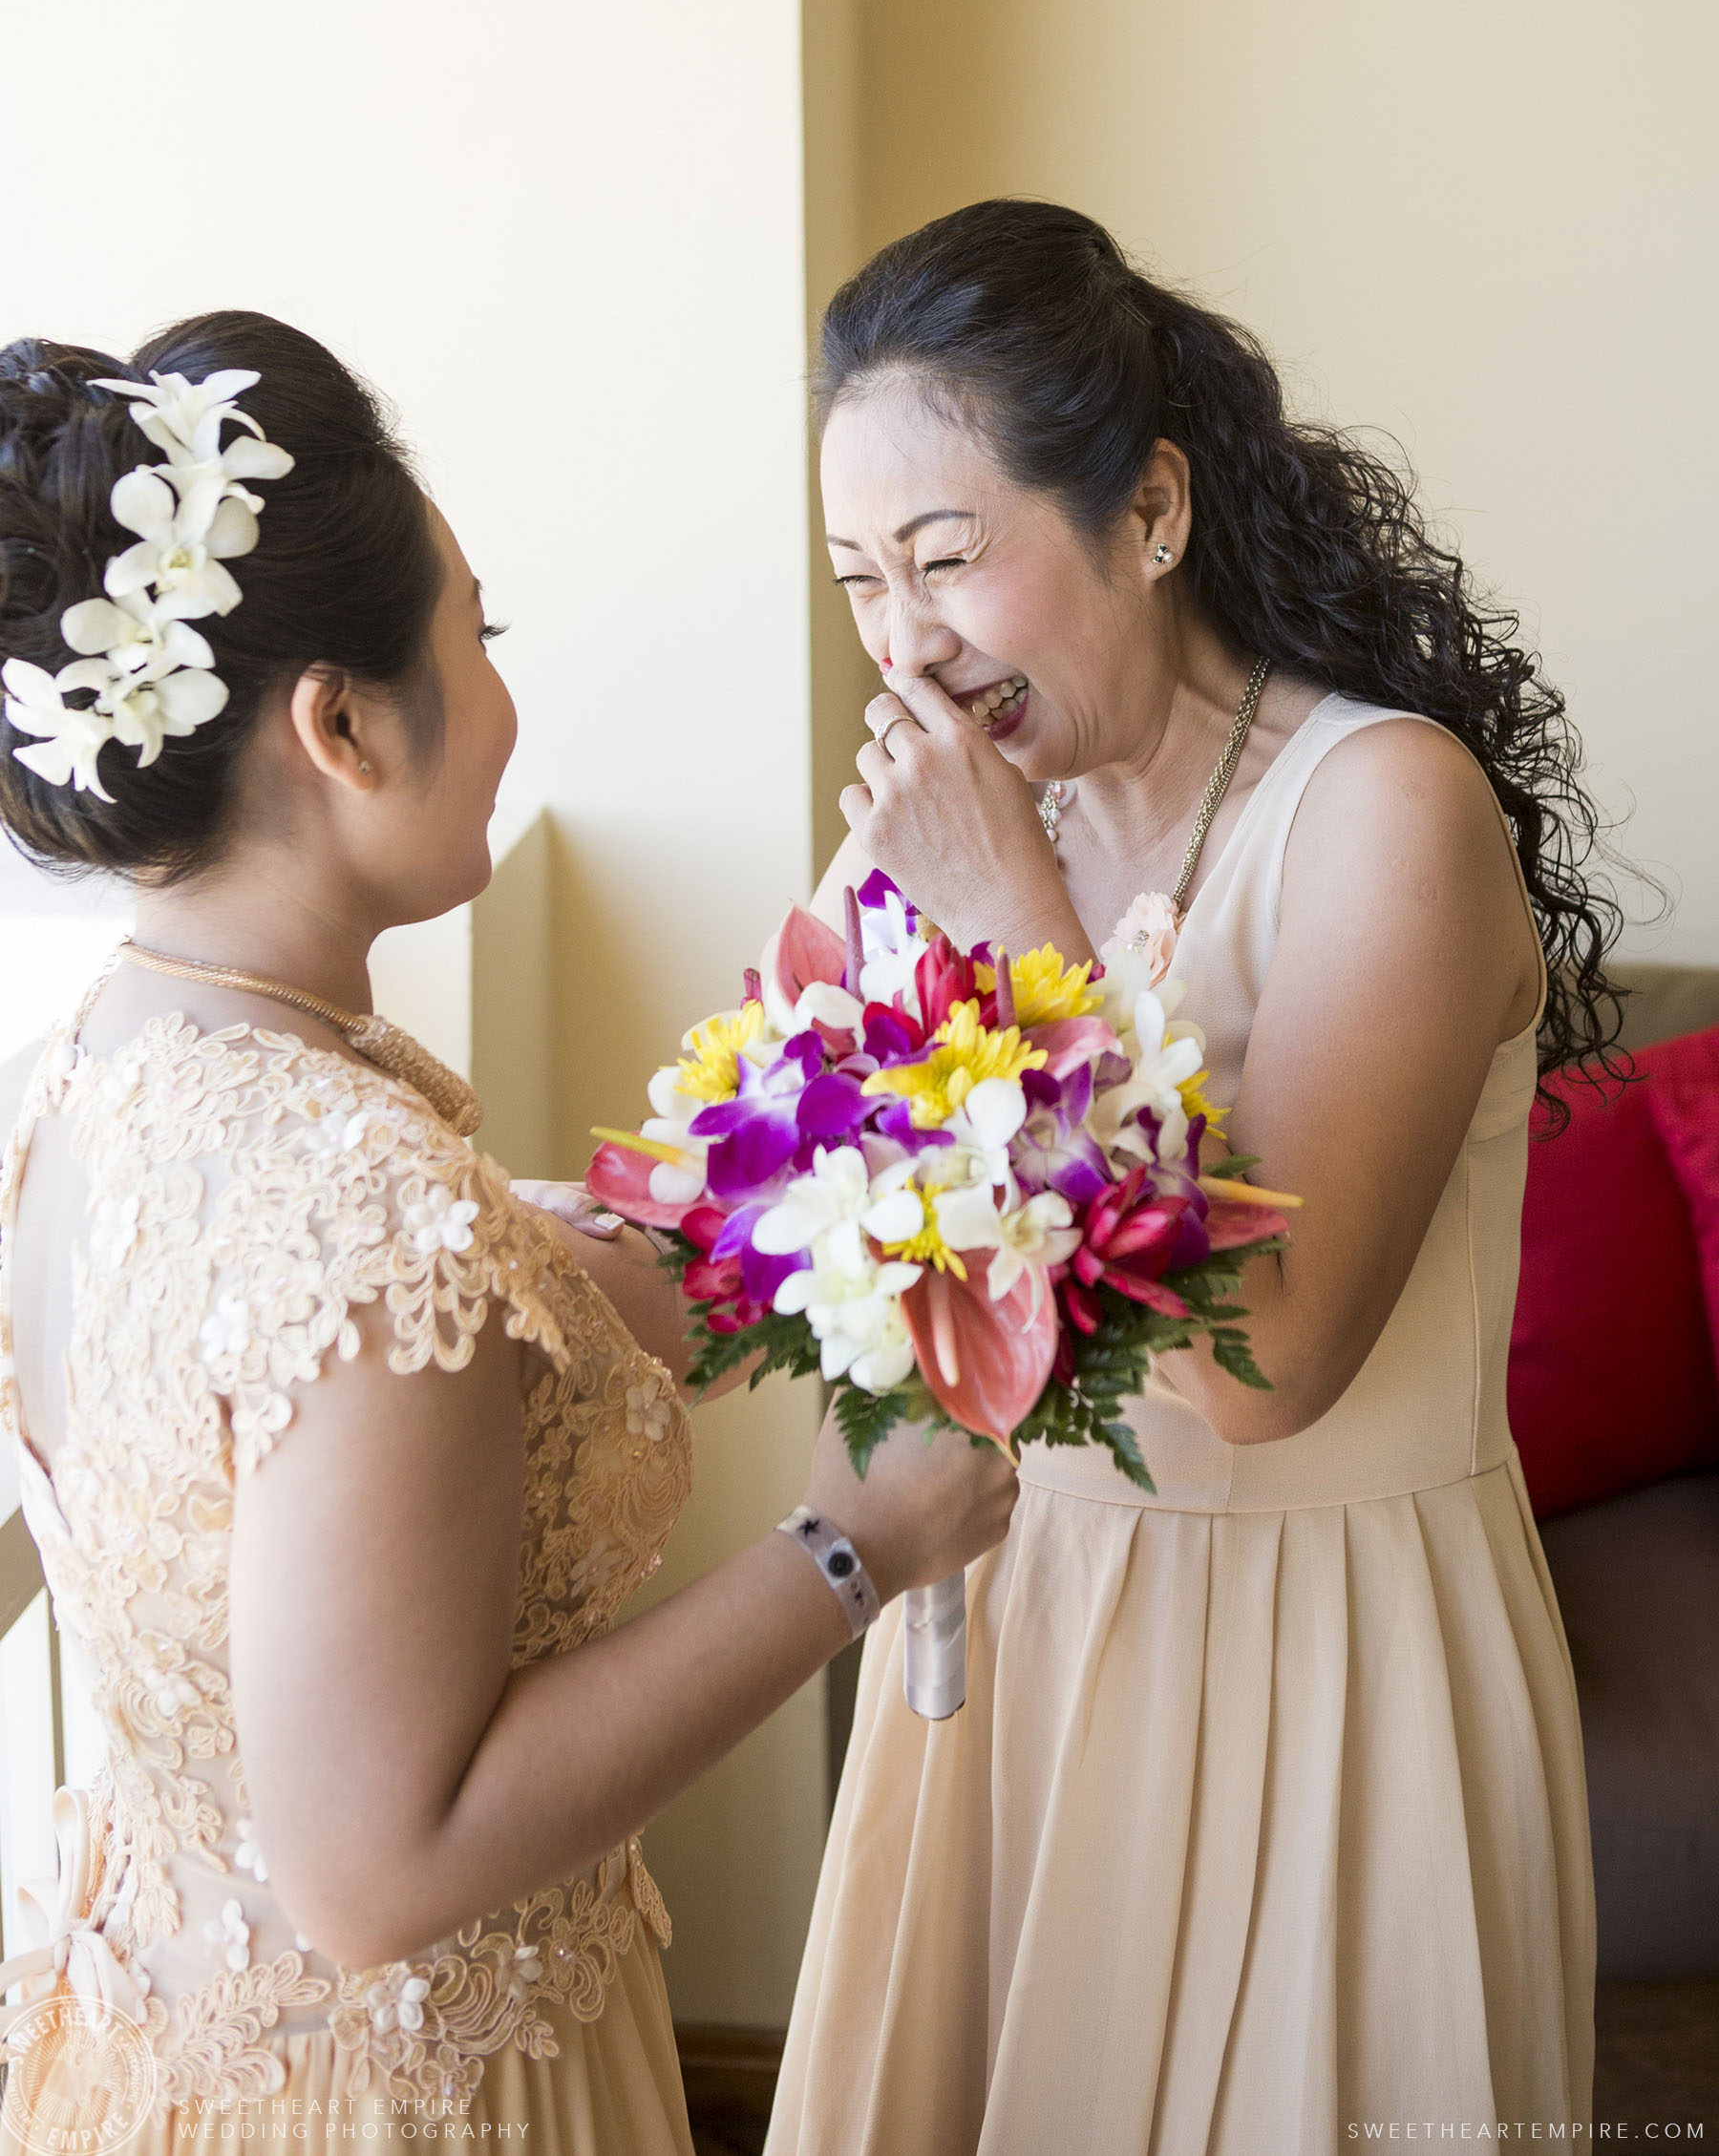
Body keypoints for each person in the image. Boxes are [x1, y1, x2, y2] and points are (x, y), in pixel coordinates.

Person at [0, 313, 1017, 2149]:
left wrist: (897, 952)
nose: (506, 694)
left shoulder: (93, 1062)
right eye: (485, 634)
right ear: (340, 721)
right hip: (409, 2100)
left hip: (167, 2058)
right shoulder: (363, 1218)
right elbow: (383, 1870)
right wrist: (854, 1545)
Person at [765, 202, 1611, 2153]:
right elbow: (769, 1194)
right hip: (1010, 1628)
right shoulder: (961, 813)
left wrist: (1016, 921)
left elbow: (1270, 1361)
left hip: (1330, 1657)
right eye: (859, 579)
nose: (902, 638)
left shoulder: (1387, 810)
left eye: (948, 559)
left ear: (1149, 511)